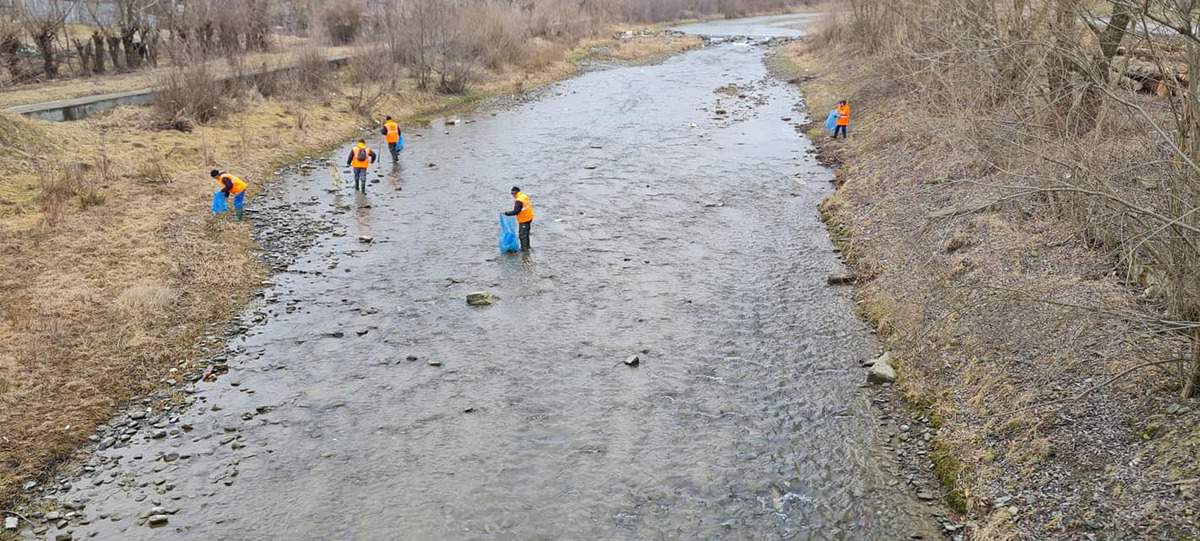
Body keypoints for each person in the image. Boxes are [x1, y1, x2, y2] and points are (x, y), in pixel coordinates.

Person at [503, 186, 534, 252]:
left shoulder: (519, 200)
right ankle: (528, 247)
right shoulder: (523, 196)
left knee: (522, 235)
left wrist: (507, 213)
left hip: (524, 219)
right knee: (526, 234)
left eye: (513, 193)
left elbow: (516, 211)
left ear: (516, 192)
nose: (512, 195)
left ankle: (524, 249)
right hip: (529, 217)